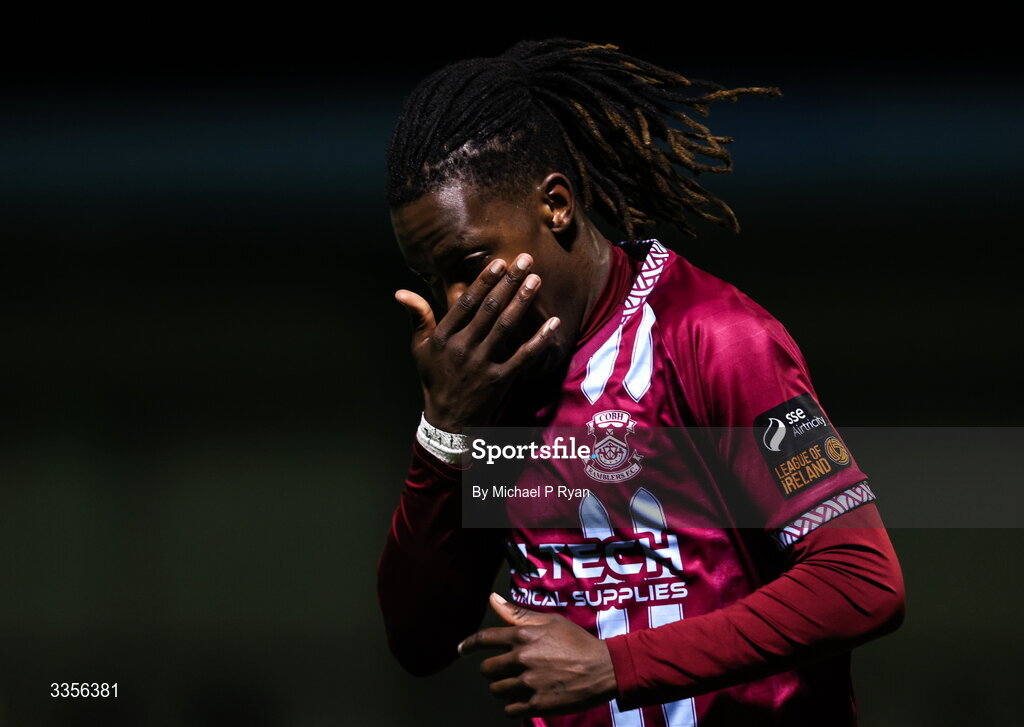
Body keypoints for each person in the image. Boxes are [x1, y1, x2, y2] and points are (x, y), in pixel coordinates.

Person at [377, 38, 905, 726]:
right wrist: (443, 434)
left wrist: (615, 665)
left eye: (469, 262)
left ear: (557, 205)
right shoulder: (494, 393)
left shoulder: (715, 338)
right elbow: (420, 641)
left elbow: (861, 580)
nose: (454, 304)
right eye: (431, 280)